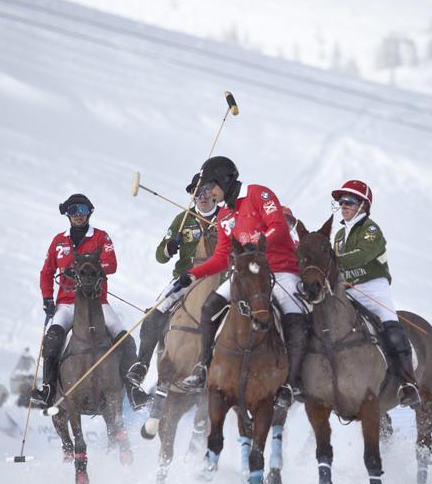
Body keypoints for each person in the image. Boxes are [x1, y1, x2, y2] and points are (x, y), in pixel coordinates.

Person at [167, 156, 307, 407]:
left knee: (294, 316)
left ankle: (292, 383)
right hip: (245, 274)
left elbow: (278, 226)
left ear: (224, 179)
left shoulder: (257, 194)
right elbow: (222, 256)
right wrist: (192, 274)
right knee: (210, 306)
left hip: (280, 268)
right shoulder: (224, 217)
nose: (208, 193)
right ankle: (203, 367)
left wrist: (256, 244)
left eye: (210, 187)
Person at [30, 193, 136, 408]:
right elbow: (47, 271)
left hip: (98, 303)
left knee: (125, 339)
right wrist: (47, 298)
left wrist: (85, 269)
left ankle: (134, 390)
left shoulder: (101, 237)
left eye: (83, 210)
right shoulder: (59, 240)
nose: (78, 215)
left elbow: (111, 264)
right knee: (52, 339)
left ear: (90, 213)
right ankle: (49, 388)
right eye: (73, 211)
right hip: (68, 304)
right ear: (67, 215)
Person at [125, 174, 220, 402]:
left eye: (206, 191)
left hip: (218, 279)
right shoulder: (182, 219)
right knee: (154, 314)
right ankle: (141, 365)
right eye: (196, 193)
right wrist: (169, 247)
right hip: (185, 280)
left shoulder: (225, 219)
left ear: (215, 195)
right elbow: (160, 256)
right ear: (192, 196)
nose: (202, 196)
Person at [331, 179, 420, 408]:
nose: (344, 205)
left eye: (350, 201)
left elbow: (362, 255)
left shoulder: (371, 229)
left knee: (391, 329)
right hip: (348, 289)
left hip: (373, 287)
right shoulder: (340, 235)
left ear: (363, 205)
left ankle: (408, 385)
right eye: (342, 202)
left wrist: (330, 261)